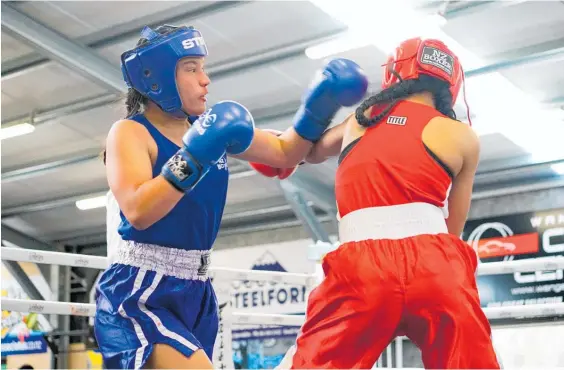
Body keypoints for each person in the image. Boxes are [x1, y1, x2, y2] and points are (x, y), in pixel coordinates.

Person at [94, 24, 368, 370]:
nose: (205, 79)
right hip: (142, 289)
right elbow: (137, 210)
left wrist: (323, 105)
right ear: (157, 75)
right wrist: (196, 155)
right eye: (191, 68)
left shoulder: (207, 125)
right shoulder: (131, 132)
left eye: (203, 67)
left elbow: (286, 152)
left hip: (196, 290)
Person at [276, 37, 502, 369]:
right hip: (437, 265)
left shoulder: (361, 118)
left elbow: (302, 152)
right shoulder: (463, 136)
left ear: (395, 73)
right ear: (450, 83)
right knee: (470, 362)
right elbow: (455, 224)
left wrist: (313, 111)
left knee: (313, 363)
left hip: (362, 267)